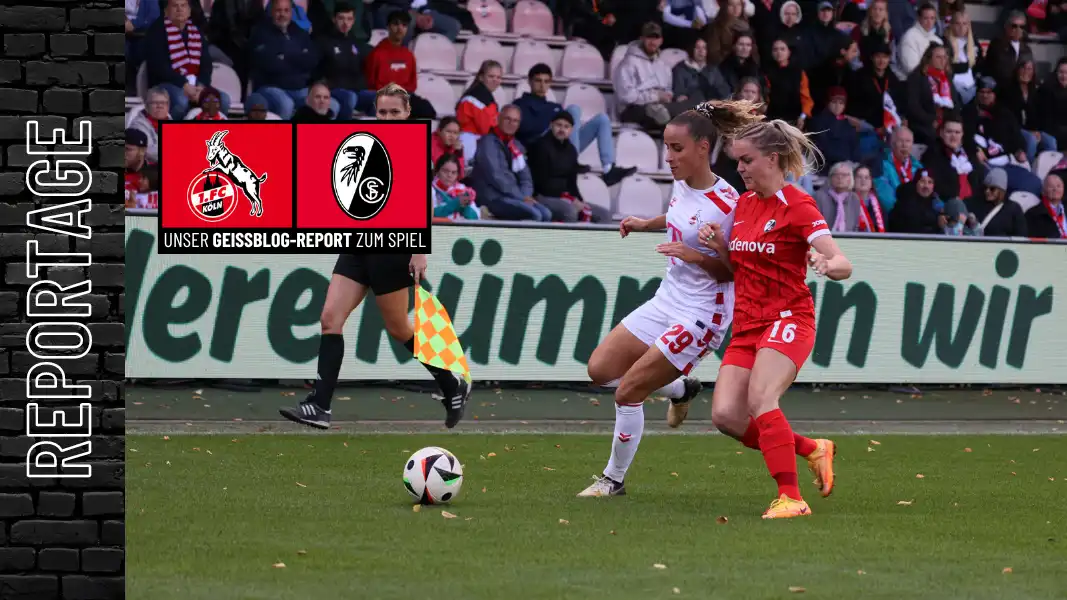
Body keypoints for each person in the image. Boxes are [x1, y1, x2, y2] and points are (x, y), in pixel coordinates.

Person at [576, 100, 762, 499]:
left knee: (628, 391)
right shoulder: (682, 183)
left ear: (702, 148)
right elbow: (681, 215)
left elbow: (737, 273)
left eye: (676, 149)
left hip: (701, 315)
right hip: (667, 299)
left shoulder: (730, 204)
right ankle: (681, 390)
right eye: (666, 147)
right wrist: (647, 224)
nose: (668, 157)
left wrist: (697, 255)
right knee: (599, 369)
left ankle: (613, 480)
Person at [280, 83, 471, 431]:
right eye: (382, 112)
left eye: (393, 112)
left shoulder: (411, 148)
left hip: (393, 247)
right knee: (329, 318)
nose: (387, 118)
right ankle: (320, 406)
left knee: (399, 329)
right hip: (357, 243)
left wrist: (419, 250)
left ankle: (450, 382)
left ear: (407, 113)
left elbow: (421, 203)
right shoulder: (365, 141)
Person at [696, 118, 852, 519]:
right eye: (737, 161)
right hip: (747, 323)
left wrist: (826, 263)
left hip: (788, 318)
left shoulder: (797, 205)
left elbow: (841, 262)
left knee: (761, 399)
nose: (741, 169)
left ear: (774, 158)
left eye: (747, 160)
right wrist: (717, 244)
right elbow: (736, 265)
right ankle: (812, 448)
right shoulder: (745, 204)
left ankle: (792, 498)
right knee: (726, 417)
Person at [967, 168, 1027, 237]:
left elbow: (1021, 236)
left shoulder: (1014, 209)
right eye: (985, 187)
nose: (987, 191)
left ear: (1001, 190)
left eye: (992, 188)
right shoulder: (974, 203)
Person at [1026, 173, 1066, 238]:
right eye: (1051, 187)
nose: (1055, 189)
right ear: (1043, 191)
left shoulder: (1065, 210)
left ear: (1063, 189)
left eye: (1058, 186)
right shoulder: (1033, 214)